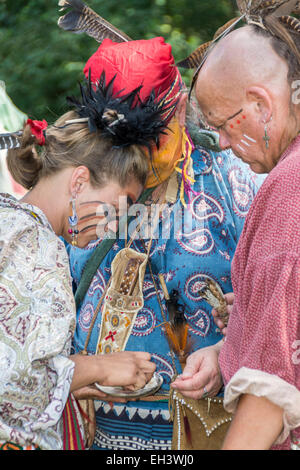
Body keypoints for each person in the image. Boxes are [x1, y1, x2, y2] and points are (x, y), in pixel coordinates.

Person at [66, 36, 265, 450]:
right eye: (118, 143)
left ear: (177, 110)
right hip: (97, 436)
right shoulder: (80, 190)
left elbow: (282, 311)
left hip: (212, 431)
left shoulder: (237, 182)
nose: (133, 155)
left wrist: (227, 351)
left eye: (148, 138)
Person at [0, 73, 170, 450]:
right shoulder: (34, 244)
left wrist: (77, 380)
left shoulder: (11, 224)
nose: (114, 226)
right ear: (78, 182)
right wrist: (99, 367)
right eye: (115, 206)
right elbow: (11, 380)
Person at [192, 4, 300, 450]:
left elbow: (269, 390)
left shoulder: (290, 187)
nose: (219, 143)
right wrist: (247, 321)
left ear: (261, 102)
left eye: (220, 124)